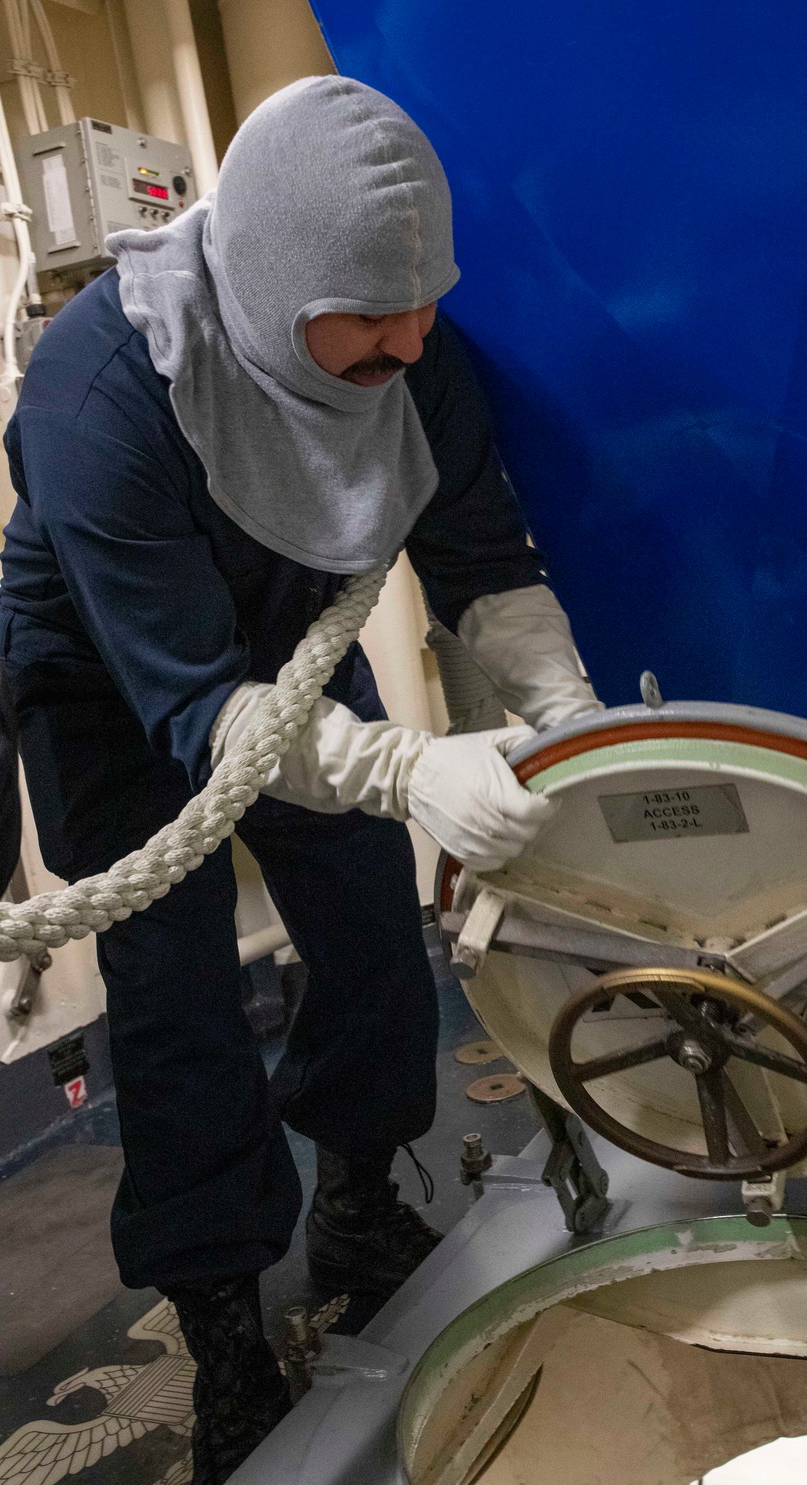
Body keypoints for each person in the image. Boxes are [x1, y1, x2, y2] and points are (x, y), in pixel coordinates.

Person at [0, 76, 601, 1482]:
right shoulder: (100, 387)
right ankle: (216, 1315)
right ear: (269, 286)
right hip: (112, 674)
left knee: (371, 928)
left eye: (423, 304)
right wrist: (400, 764)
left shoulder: (414, 352)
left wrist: (562, 716)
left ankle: (358, 1201)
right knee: (177, 991)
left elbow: (483, 562)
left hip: (286, 630)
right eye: (368, 315)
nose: (406, 341)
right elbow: (194, 698)